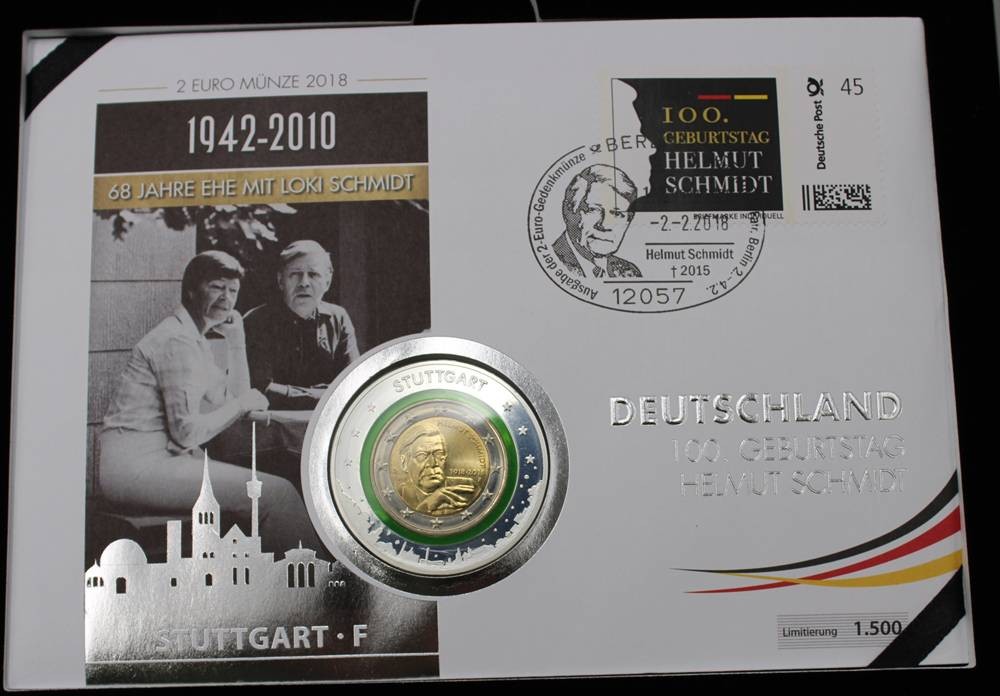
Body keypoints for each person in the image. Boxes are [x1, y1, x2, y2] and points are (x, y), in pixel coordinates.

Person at [98, 251, 323, 554]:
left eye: (233, 290)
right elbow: (187, 433)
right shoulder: (176, 340)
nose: (226, 297)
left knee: (274, 489)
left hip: (158, 461)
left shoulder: (193, 339)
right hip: (136, 469)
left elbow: (239, 398)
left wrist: (236, 341)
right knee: (278, 494)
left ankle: (295, 575)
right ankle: (312, 579)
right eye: (217, 287)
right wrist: (241, 405)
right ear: (192, 289)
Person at [244, 240, 359, 411]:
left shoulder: (338, 318)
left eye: (313, 274)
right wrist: (326, 395)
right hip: (273, 424)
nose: (304, 282)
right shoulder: (256, 321)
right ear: (280, 281)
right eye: (295, 274)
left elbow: (353, 386)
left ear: (327, 282)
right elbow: (260, 391)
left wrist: (293, 394)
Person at [554, 164, 642, 278]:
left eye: (617, 214)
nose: (605, 225)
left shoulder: (630, 273)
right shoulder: (554, 261)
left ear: (628, 222)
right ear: (568, 211)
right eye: (594, 210)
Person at [394, 424, 475, 515]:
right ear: (404, 463)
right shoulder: (396, 496)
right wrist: (426, 505)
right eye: (422, 455)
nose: (432, 463)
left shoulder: (467, 488)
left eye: (438, 454)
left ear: (445, 458)